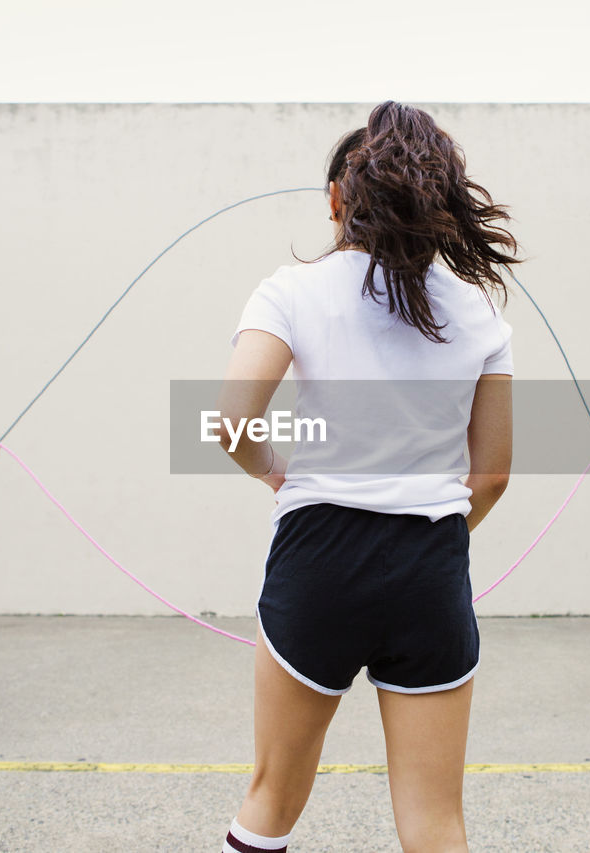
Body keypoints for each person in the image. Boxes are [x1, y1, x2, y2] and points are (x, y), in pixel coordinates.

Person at [216, 102, 516, 853]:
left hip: (319, 554)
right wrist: (429, 528)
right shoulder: (478, 310)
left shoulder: (290, 289)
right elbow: (494, 474)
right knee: (435, 822)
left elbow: (226, 424)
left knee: (271, 798)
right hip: (431, 565)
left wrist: (279, 475)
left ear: (336, 199)